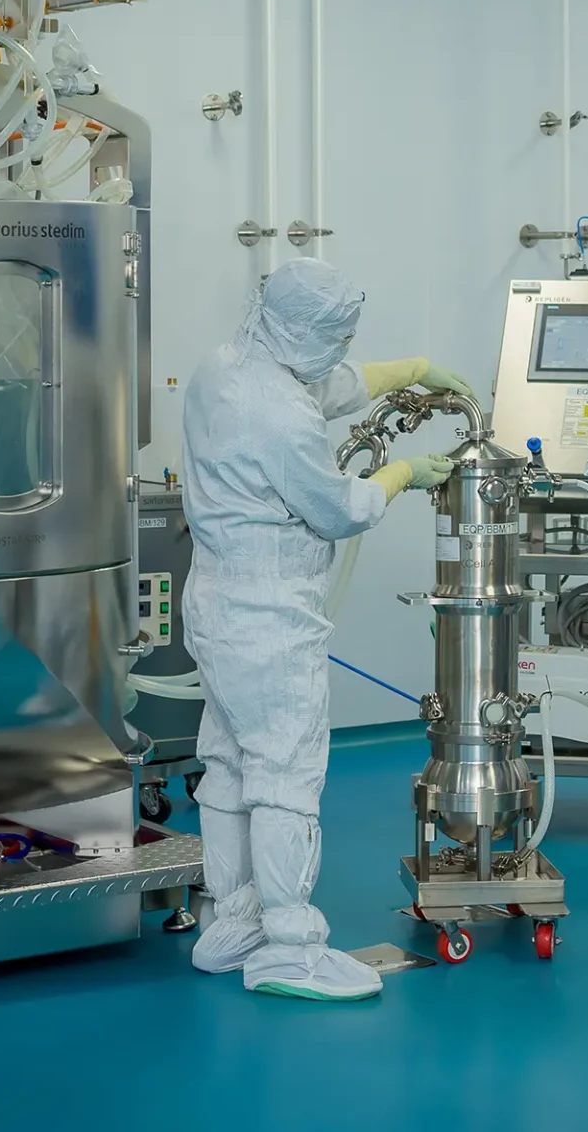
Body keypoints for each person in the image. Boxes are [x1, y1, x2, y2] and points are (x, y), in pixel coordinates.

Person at [179, 258, 469, 1000]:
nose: (342, 350)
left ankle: (234, 924)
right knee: (285, 776)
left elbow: (321, 384)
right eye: (337, 337)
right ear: (304, 331)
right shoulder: (277, 411)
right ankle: (291, 947)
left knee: (231, 763)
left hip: (217, 604)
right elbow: (337, 508)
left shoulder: (225, 366)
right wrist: (402, 475)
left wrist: (411, 371)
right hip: (268, 616)